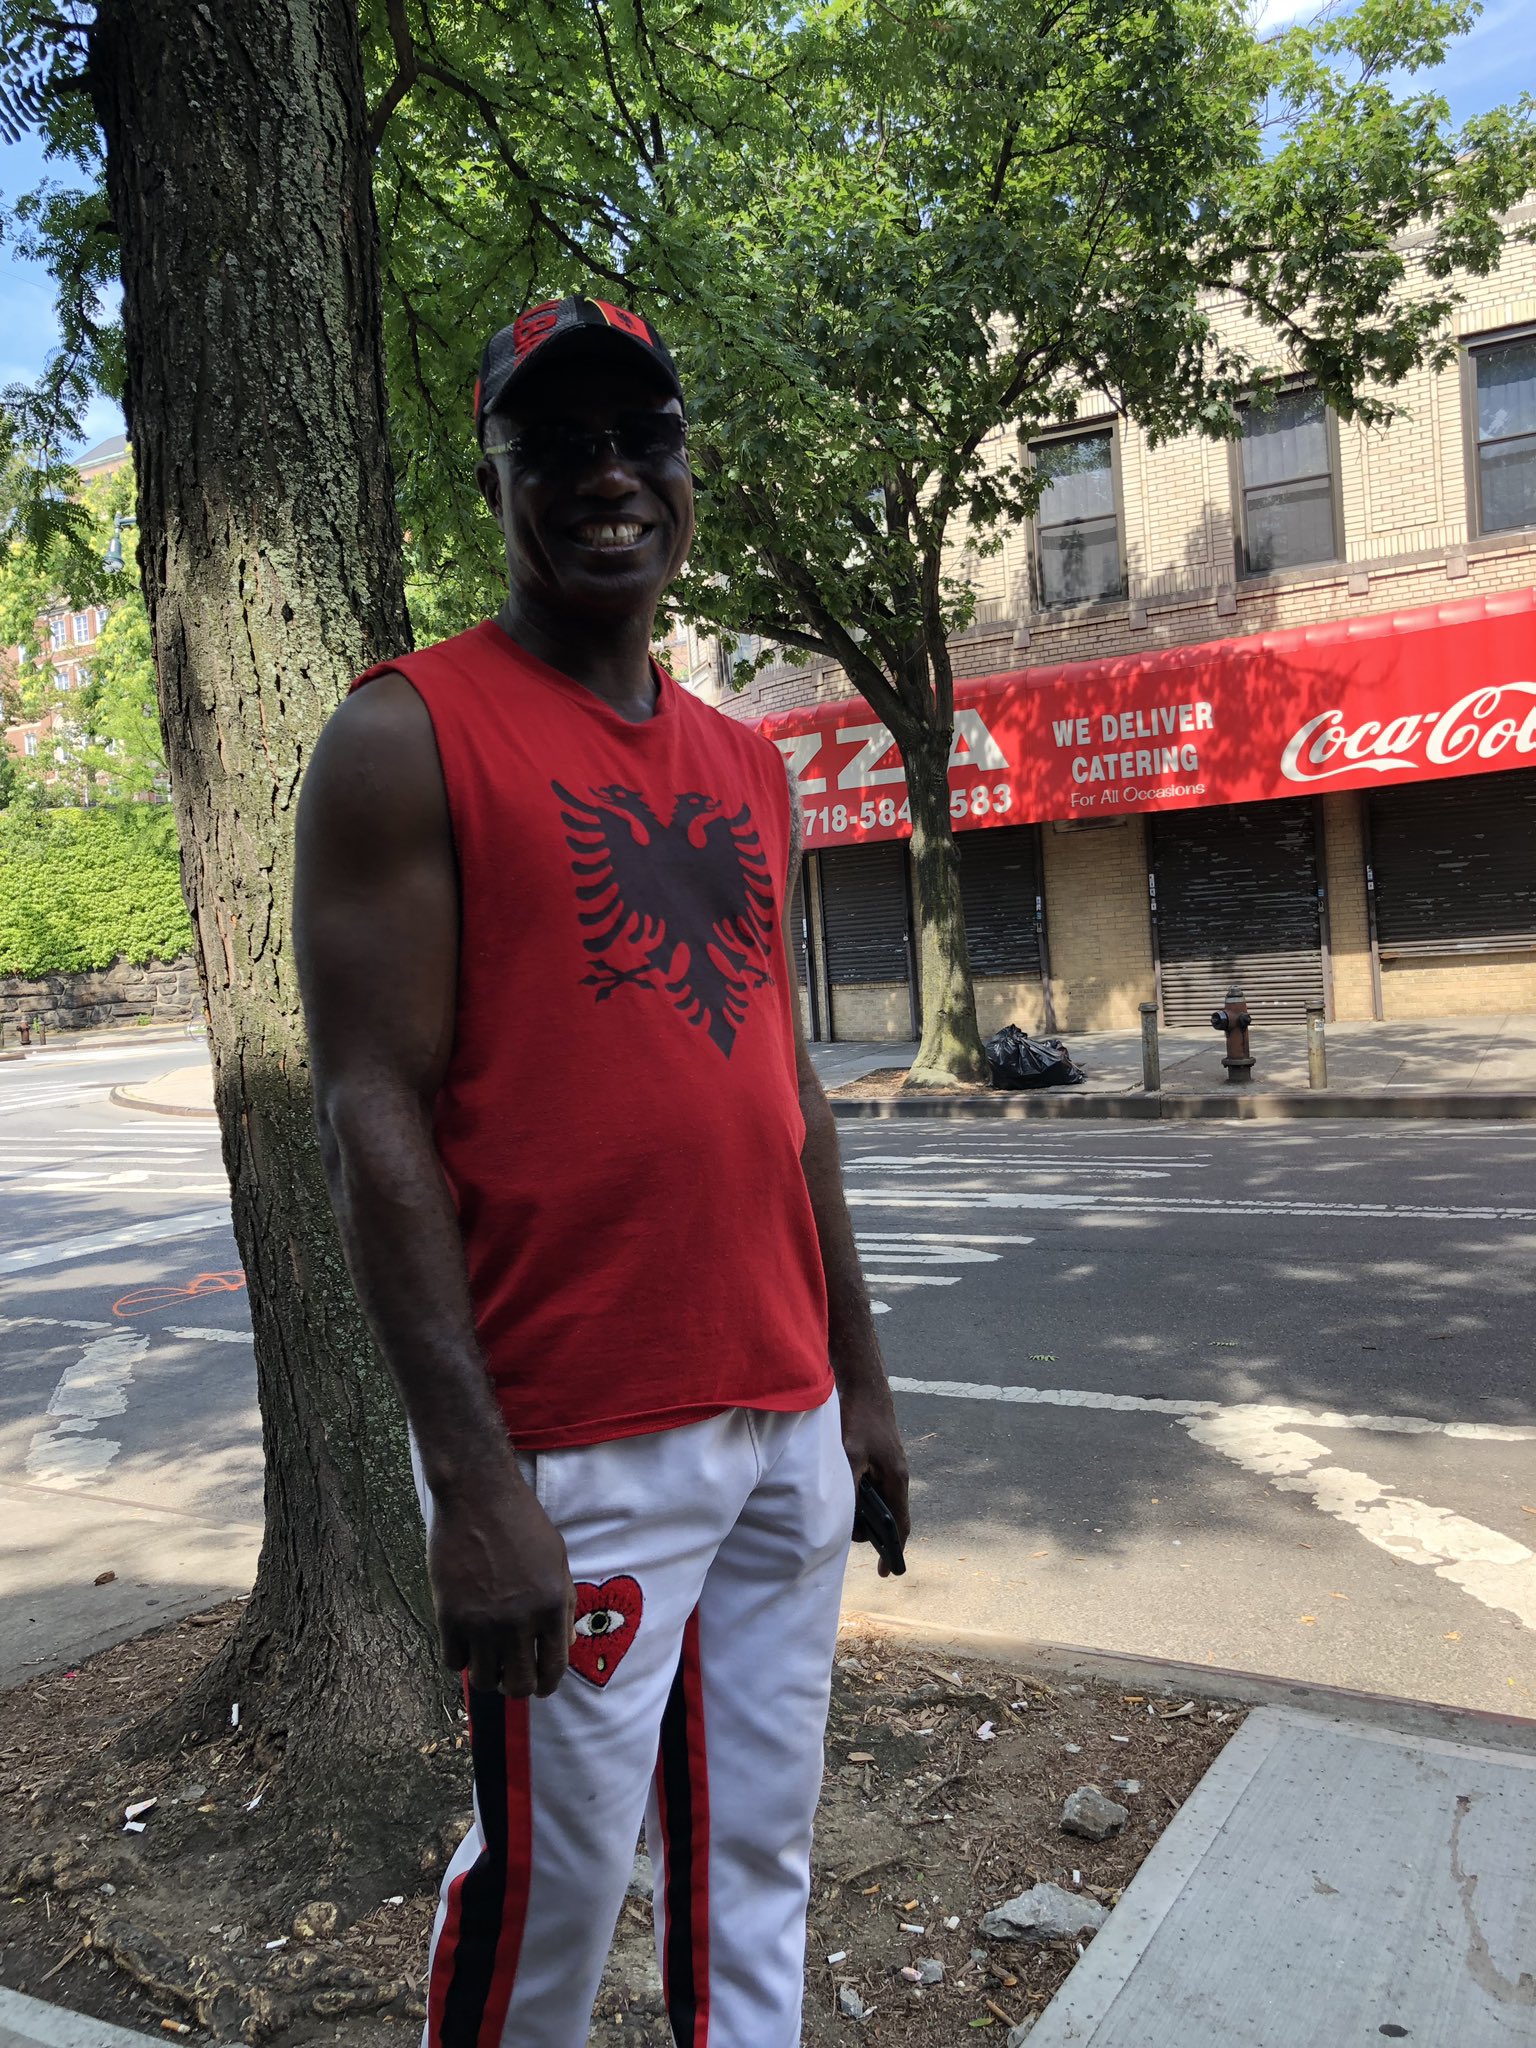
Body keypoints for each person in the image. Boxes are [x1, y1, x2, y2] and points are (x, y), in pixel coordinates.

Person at [293, 293, 910, 2048]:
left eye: (639, 437)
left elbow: (782, 1087)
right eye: (556, 444)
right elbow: (370, 1114)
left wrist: (859, 1385)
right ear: (494, 478)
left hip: (785, 1423)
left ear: (685, 470)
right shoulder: (405, 737)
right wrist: (474, 1483)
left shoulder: (744, 764)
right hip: (574, 1452)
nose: (608, 475)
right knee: (550, 1904)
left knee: (755, 1870)